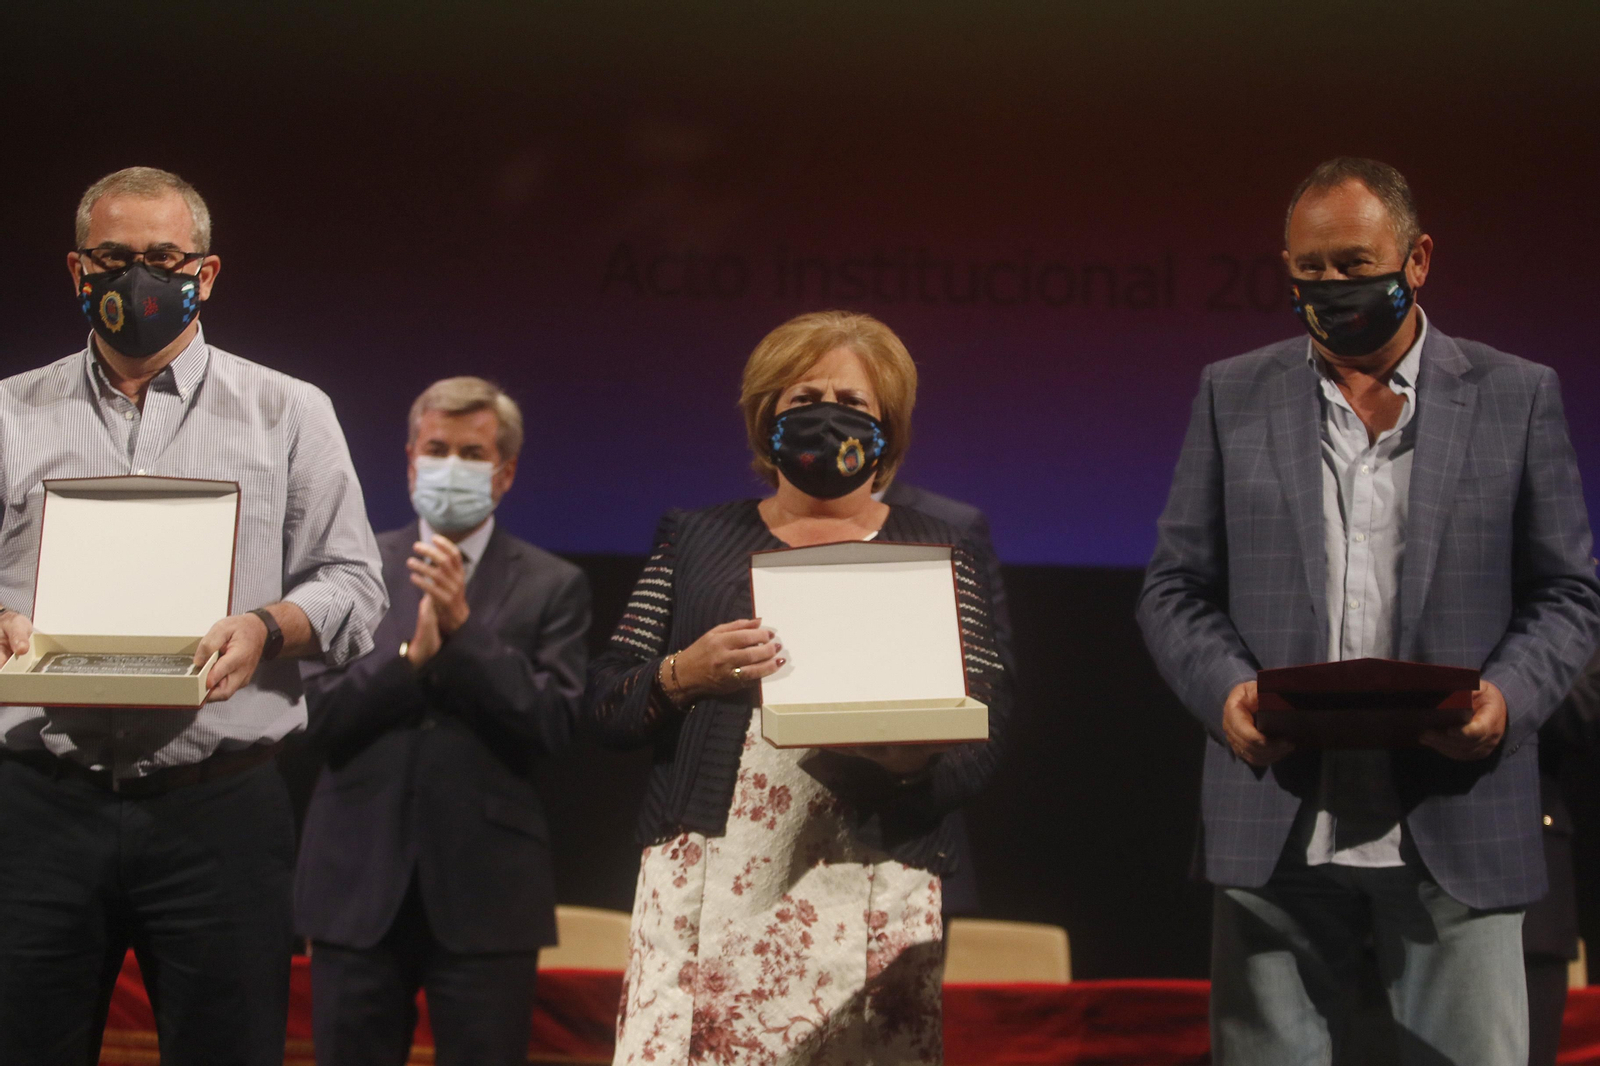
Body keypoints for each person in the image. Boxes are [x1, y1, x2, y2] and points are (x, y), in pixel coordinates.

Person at [1137, 157, 1600, 1066]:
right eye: (1309, 272)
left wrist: (1505, 702)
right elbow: (1174, 587)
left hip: (1457, 824)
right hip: (1275, 827)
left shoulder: (1516, 396)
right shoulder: (1234, 394)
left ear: (1418, 259)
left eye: (1354, 265)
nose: (1332, 290)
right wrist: (1226, 694)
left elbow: (1568, 593)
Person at [0, 167, 387, 1065]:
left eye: (163, 257)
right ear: (75, 271)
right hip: (37, 808)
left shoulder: (288, 411)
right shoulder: (9, 412)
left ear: (205, 274)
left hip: (218, 810)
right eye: (114, 258)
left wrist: (266, 627)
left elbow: (356, 587)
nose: (138, 277)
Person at [584, 310, 1011, 1064]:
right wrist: (687, 671)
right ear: (766, 414)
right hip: (707, 881)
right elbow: (608, 702)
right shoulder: (695, 536)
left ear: (889, 429)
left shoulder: (938, 546)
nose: (826, 416)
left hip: (872, 881)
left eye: (853, 405)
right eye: (804, 396)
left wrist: (908, 762)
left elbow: (987, 728)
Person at [295, 377, 590, 1066]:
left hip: (488, 898)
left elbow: (554, 723)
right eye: (436, 448)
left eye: (471, 451)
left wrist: (465, 633)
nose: (450, 465)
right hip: (356, 886)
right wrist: (409, 659)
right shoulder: (352, 569)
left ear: (505, 470)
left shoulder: (553, 584)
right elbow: (316, 717)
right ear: (409, 460)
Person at [879, 479, 1013, 917]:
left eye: (853, 404)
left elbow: (988, 691)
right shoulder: (732, 533)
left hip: (908, 837)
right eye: (804, 403)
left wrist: (913, 773)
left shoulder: (950, 526)